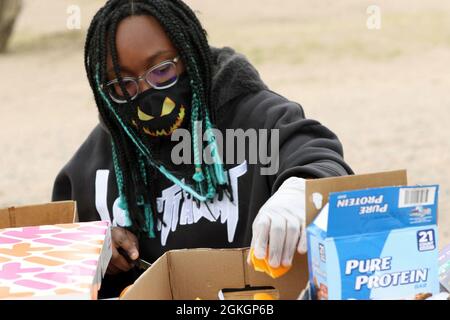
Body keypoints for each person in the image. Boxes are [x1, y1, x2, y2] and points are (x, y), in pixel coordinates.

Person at [52, 0, 353, 298]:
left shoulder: (250, 120)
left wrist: (297, 193)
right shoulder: (103, 158)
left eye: (161, 70)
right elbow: (53, 249)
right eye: (123, 84)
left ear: (191, 55)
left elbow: (320, 158)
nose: (146, 93)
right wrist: (91, 249)